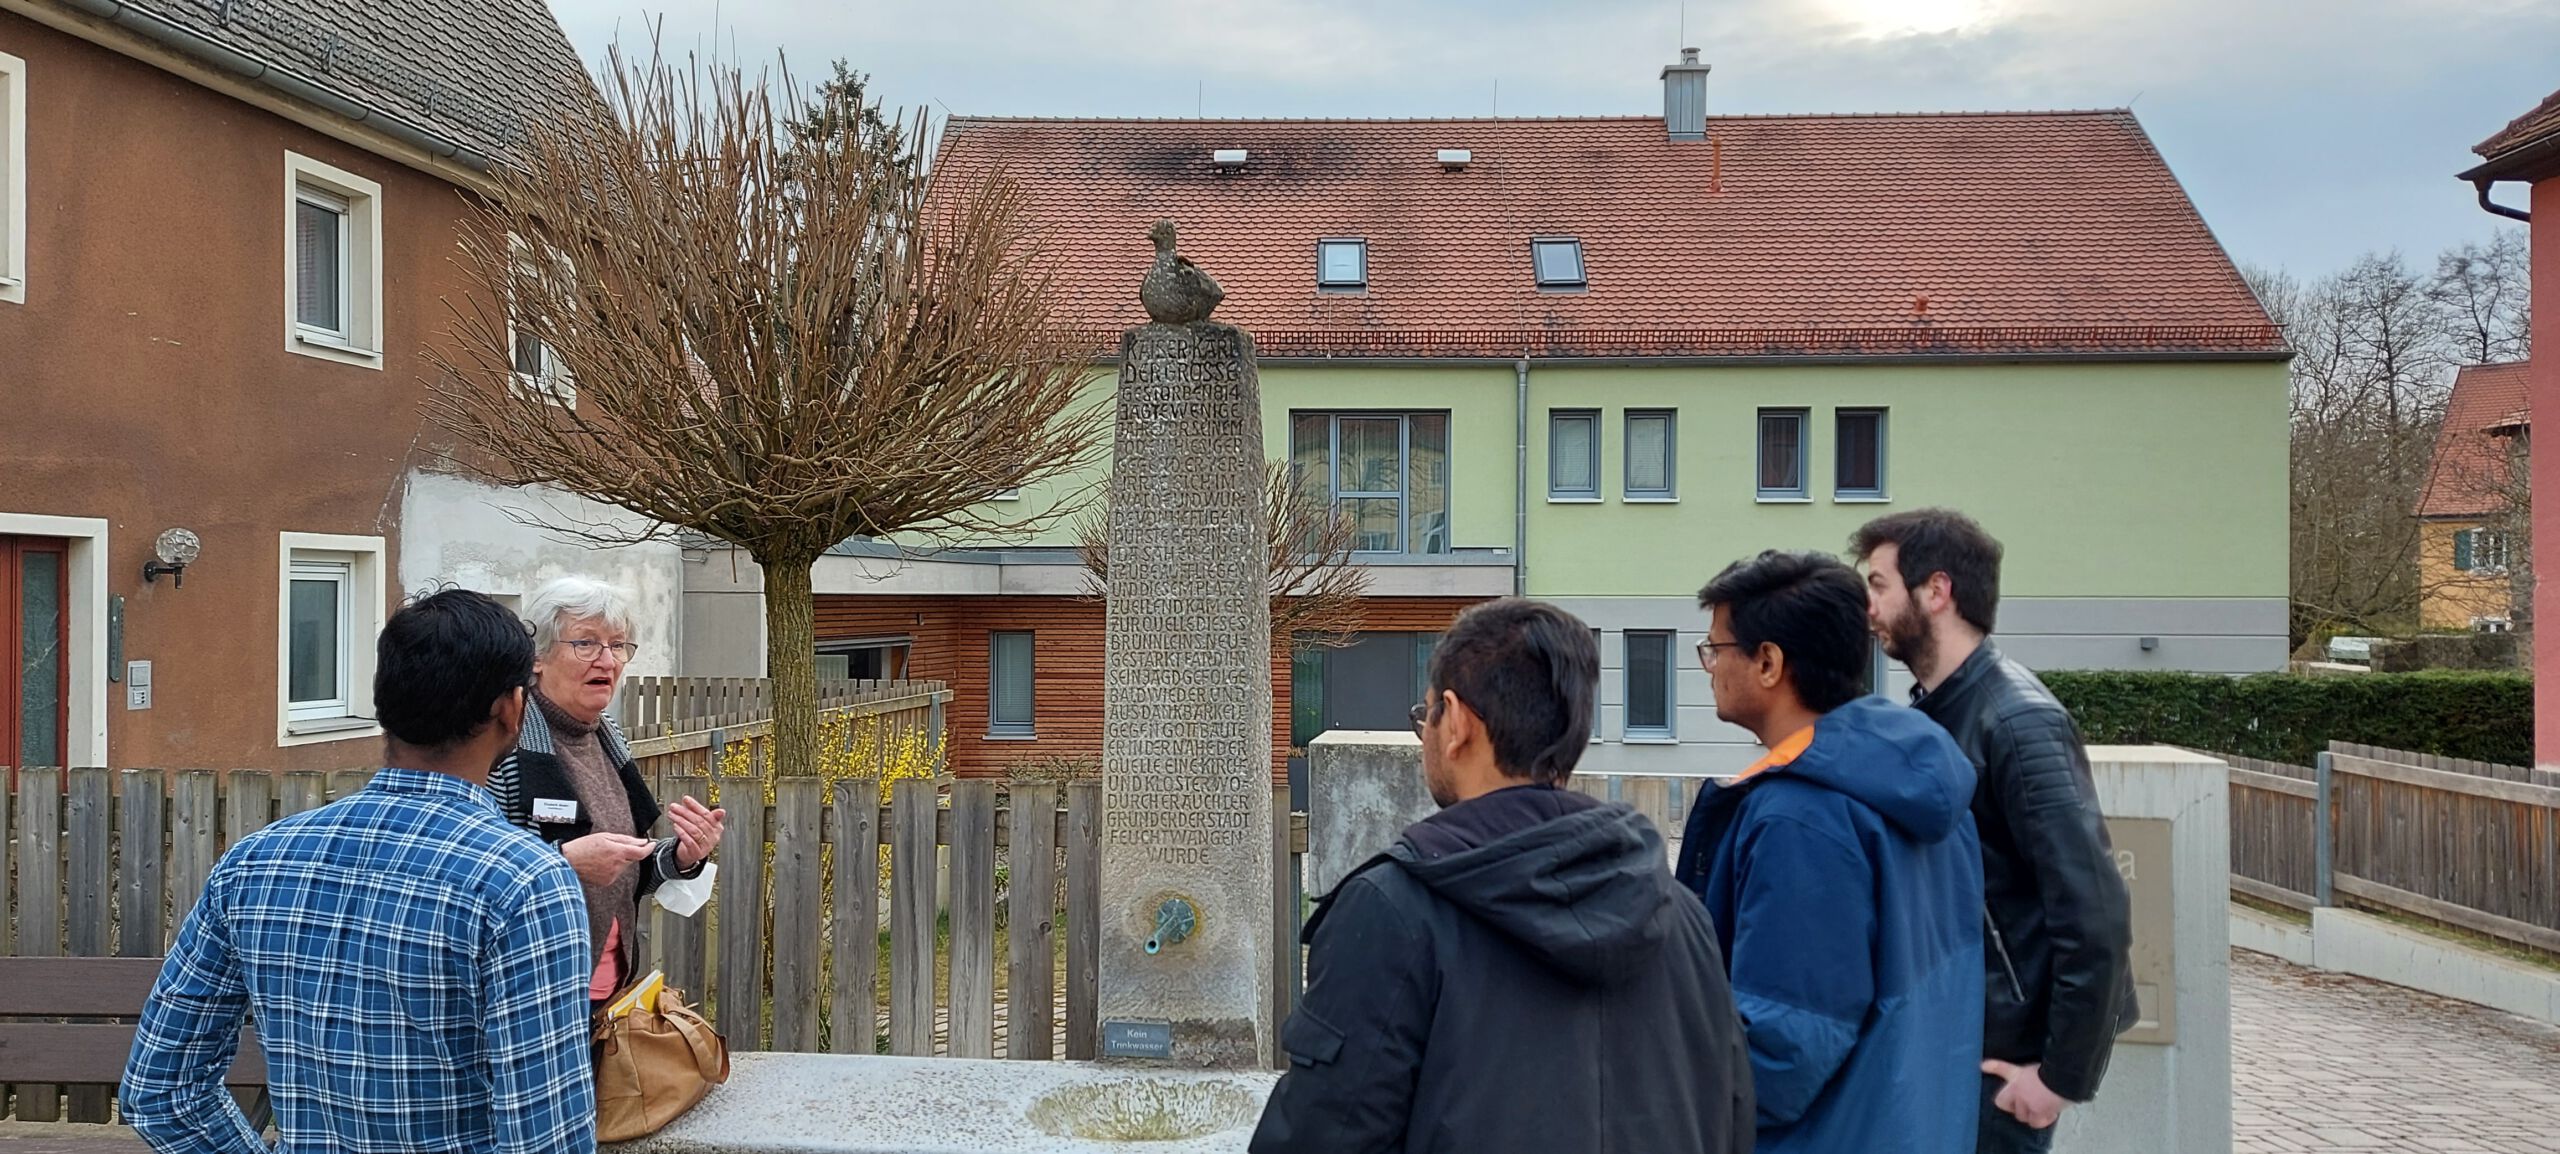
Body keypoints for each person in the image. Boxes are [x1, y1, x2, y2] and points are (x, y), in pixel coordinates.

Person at [1251, 598, 1753, 1154]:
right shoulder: (1681, 915)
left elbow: (1323, 1136)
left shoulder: (1391, 913)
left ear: (1457, 722)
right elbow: (1729, 1118)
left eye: (1426, 717)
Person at [122, 589, 594, 1153]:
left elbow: (163, 1091)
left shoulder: (254, 862)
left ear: (383, 703)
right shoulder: (525, 881)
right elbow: (545, 1141)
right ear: (512, 708)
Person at [1674, 550, 1985, 1154]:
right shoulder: (1916, 778)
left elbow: (1779, 1054)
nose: (1708, 667)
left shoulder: (1801, 815)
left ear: (1768, 662)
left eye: (1715, 649)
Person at [1850, 509, 2137, 1153]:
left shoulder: (2016, 722)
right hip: (1954, 1047)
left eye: (1878, 583)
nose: (1867, 604)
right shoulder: (1937, 711)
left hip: (2000, 1073)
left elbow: (2094, 910)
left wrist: (2060, 1078)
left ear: (1937, 590)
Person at [490, 576, 725, 1010]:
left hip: (609, 988)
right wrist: (563, 864)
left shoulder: (608, 737)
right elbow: (480, 872)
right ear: (537, 656)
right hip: (534, 990)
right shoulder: (505, 744)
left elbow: (621, 867)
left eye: (617, 645)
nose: (607, 660)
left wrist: (682, 856)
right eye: (586, 644)